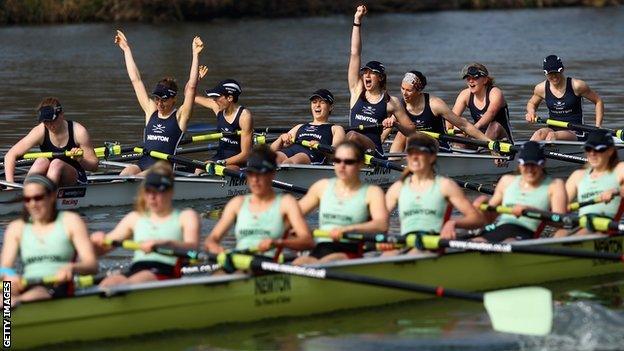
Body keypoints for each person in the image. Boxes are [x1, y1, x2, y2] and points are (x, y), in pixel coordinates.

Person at [91, 162, 200, 287]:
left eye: (158, 191)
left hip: (167, 272)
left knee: (122, 283)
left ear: (171, 191)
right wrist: (95, 243)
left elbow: (192, 249)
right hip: (137, 271)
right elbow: (99, 250)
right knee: (109, 282)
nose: (152, 197)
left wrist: (162, 243)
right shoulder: (135, 218)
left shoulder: (186, 216)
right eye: (148, 191)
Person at [114, 30, 204, 175]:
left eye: (164, 100)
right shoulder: (151, 111)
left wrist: (195, 55)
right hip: (143, 162)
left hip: (164, 168)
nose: (159, 104)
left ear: (174, 99)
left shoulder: (180, 116)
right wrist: (126, 49)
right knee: (124, 174)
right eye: (157, 99)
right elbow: (136, 80)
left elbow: (192, 87)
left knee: (137, 178)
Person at [0, 175, 97, 305]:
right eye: (27, 200)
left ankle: (11, 312)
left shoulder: (71, 221)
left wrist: (72, 268)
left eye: (38, 198)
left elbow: (92, 265)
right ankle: (8, 313)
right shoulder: (16, 228)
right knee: (6, 289)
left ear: (52, 196)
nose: (32, 204)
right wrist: (9, 276)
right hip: (24, 285)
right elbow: (4, 268)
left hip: (57, 286)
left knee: (37, 292)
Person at [205, 145, 314, 258]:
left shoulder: (286, 203)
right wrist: (216, 248)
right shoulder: (237, 203)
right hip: (242, 264)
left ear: (272, 174)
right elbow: (211, 240)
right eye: (251, 174)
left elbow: (308, 241)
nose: (255, 180)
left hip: (269, 266)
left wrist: (278, 243)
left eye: (260, 174)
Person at [384, 133, 484, 255]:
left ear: (431, 157)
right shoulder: (397, 188)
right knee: (386, 254)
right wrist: (383, 237)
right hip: (407, 242)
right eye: (411, 153)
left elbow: (477, 219)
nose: (414, 157)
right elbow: (380, 221)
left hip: (435, 245)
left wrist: (453, 223)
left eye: (420, 153)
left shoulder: (445, 186)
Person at [293, 141, 389, 264]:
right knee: (299, 262)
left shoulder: (372, 192)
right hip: (321, 248)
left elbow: (382, 225)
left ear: (360, 164)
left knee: (325, 262)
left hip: (349, 251)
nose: (342, 166)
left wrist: (348, 229)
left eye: (348, 162)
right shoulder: (321, 187)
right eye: (338, 161)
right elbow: (292, 215)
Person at [347, 5, 415, 157]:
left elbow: (411, 131)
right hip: (351, 149)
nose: (366, 76)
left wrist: (395, 124)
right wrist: (357, 21)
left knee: (351, 136)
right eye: (365, 73)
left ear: (381, 77)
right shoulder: (357, 89)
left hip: (373, 150)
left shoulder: (391, 102)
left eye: (372, 73)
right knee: (341, 134)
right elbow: (355, 53)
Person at [473, 141, 567, 242]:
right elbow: (488, 219)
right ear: (519, 164)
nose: (530, 170)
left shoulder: (555, 185)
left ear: (543, 164)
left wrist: (530, 210)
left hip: (524, 233)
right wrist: (482, 207)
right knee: (476, 240)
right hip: (500, 228)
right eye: (526, 164)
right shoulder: (506, 181)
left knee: (509, 241)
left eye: (534, 164)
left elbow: (561, 221)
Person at [388, 71, 491, 153]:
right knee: (402, 133)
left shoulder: (435, 104)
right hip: (415, 146)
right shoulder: (400, 105)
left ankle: (406, 164)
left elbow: (464, 125)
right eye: (402, 88)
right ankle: (391, 163)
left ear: (419, 91)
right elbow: (385, 132)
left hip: (438, 146)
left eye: (409, 90)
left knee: (412, 135)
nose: (404, 93)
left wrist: (490, 143)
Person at [3, 98, 98, 186]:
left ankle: (45, 197)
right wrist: (10, 186)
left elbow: (94, 166)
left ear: (61, 115)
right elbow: (10, 155)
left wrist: (80, 159)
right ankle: (27, 192)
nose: (50, 125)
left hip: (76, 178)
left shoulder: (79, 132)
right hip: (51, 176)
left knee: (56, 163)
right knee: (41, 160)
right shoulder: (40, 131)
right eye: (46, 122)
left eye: (52, 121)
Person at [557, 130, 624, 236]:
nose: (592, 154)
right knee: (560, 233)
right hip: (583, 223)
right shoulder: (578, 175)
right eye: (588, 149)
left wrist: (617, 191)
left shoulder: (620, 169)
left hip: (607, 227)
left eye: (599, 149)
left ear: (610, 151)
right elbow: (558, 209)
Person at [525, 55, 603, 141]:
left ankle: (544, 151)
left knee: (552, 136)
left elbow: (598, 101)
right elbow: (532, 103)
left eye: (556, 72)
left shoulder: (577, 86)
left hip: (575, 131)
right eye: (550, 73)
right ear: (545, 73)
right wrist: (531, 112)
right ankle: (527, 152)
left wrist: (598, 127)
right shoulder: (541, 88)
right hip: (553, 129)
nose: (554, 76)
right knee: (538, 134)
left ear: (562, 70)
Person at [195, 67, 253, 168]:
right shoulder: (217, 108)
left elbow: (245, 155)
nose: (214, 100)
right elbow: (190, 95)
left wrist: (220, 163)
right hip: (219, 158)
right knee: (198, 169)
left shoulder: (244, 117)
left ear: (230, 98)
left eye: (217, 97)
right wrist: (196, 79)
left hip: (237, 163)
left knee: (227, 170)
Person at [271, 89, 345, 164]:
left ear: (330, 107)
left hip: (311, 154)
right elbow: (271, 151)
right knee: (272, 158)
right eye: (314, 102)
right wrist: (281, 139)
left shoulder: (336, 129)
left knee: (289, 162)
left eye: (322, 102)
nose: (317, 105)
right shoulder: (299, 126)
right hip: (291, 150)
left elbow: (336, 154)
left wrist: (321, 146)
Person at [451, 63, 514, 143]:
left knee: (494, 125)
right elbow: (452, 117)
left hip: (501, 140)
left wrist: (472, 129)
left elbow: (490, 114)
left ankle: (483, 150)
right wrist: (447, 130)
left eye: (475, 78)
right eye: (468, 78)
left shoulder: (495, 93)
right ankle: (458, 151)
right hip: (478, 139)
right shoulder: (465, 94)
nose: (471, 81)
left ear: (485, 80)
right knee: (459, 122)